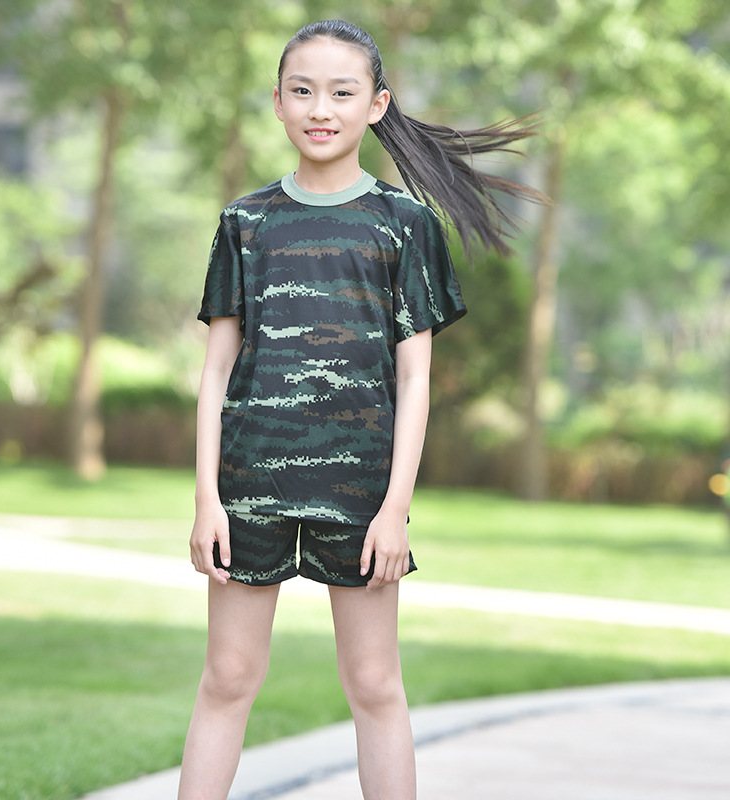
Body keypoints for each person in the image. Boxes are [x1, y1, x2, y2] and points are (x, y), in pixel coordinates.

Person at [178, 19, 540, 800]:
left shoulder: (405, 225)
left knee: (375, 683)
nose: (320, 108)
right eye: (302, 90)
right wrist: (208, 499)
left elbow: (416, 380)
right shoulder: (244, 223)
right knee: (228, 676)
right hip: (250, 488)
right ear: (277, 101)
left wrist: (396, 509)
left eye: (341, 92)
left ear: (376, 105)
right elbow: (215, 370)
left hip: (363, 494)